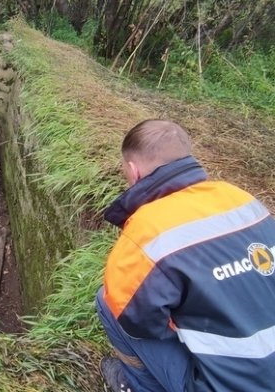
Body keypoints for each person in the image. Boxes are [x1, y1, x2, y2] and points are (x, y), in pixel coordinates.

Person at [96, 119, 275, 392]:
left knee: (107, 303)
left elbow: (136, 319)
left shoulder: (146, 230)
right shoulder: (240, 199)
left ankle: (138, 386)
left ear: (133, 171)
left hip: (226, 385)